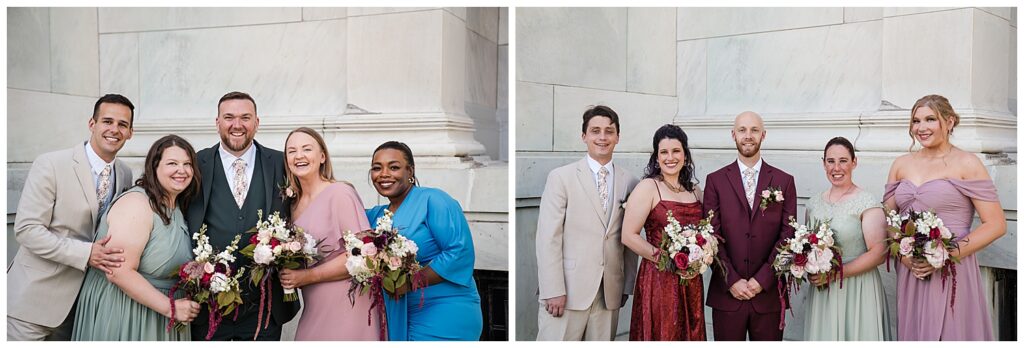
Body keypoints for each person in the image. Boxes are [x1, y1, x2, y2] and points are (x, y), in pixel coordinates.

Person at [8, 94, 135, 340]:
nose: (114, 130)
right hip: (32, 302)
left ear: (131, 132)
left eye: (123, 124)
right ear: (92, 124)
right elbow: (27, 229)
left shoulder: (125, 174)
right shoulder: (51, 164)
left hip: (80, 310)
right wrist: (86, 253)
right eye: (107, 121)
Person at [883, 94, 1005, 340]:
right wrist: (906, 257)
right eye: (916, 121)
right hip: (912, 271)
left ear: (949, 122)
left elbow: (996, 224)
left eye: (930, 119)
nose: (921, 128)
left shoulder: (967, 163)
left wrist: (944, 255)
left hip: (952, 270)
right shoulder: (900, 164)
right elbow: (890, 220)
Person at [185, 91, 300, 340]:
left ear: (257, 122)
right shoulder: (194, 164)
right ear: (217, 123)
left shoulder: (282, 163)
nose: (237, 125)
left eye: (245, 117)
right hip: (208, 306)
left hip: (266, 306)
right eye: (229, 117)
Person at [71, 135, 202, 340]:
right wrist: (171, 308)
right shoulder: (137, 203)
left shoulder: (176, 206)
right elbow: (118, 271)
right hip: (126, 312)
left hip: (161, 314)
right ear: (154, 167)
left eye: (187, 164)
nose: (182, 170)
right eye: (172, 163)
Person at [535, 105, 640, 341]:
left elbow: (630, 237)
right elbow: (548, 238)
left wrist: (626, 285)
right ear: (584, 136)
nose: (602, 137)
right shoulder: (561, 178)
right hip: (566, 293)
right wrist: (553, 290)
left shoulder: (631, 182)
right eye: (595, 131)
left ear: (618, 137)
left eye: (609, 131)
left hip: (609, 293)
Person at [366, 141, 483, 340]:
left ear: (410, 171)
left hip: (445, 307)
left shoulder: (433, 200)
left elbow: (459, 252)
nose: (384, 174)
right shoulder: (375, 216)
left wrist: (410, 282)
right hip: (400, 312)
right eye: (377, 168)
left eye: (394, 167)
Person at [276, 127, 382, 340]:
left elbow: (363, 256)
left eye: (307, 149)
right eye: (292, 151)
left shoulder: (340, 193)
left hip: (348, 303)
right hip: (314, 305)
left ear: (322, 156)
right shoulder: (292, 204)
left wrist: (305, 277)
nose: (299, 156)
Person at [703, 111, 795, 341]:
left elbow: (788, 236)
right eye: (742, 130)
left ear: (763, 135)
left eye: (754, 130)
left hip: (769, 295)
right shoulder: (715, 181)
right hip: (727, 295)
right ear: (733, 134)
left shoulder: (784, 181)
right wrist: (731, 280)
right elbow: (710, 236)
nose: (748, 135)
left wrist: (762, 280)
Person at [621, 124, 706, 341]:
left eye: (676, 151)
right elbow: (628, 235)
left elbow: (706, 233)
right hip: (659, 278)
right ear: (656, 158)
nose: (670, 157)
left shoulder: (696, 191)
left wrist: (703, 255)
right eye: (664, 152)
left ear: (685, 156)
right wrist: (668, 260)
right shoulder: (648, 187)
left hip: (691, 280)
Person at [802, 137, 891, 340]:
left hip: (858, 288)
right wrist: (808, 268)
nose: (836, 167)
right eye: (830, 161)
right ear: (823, 163)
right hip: (823, 292)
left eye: (843, 160)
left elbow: (878, 253)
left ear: (854, 162)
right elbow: (807, 247)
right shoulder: (813, 203)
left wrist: (835, 274)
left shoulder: (867, 202)